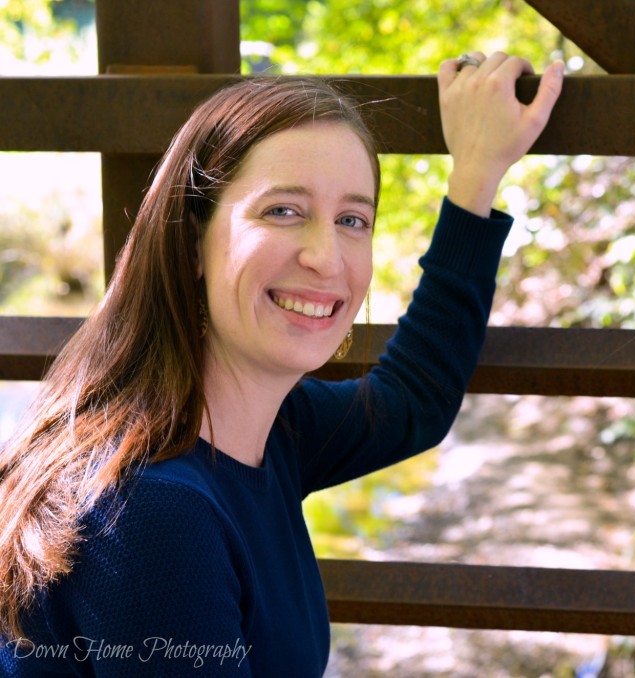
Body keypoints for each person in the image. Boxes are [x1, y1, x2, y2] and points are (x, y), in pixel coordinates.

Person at [0, 52, 563, 675]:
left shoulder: (262, 427)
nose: (327, 257)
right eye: (283, 211)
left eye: (353, 219)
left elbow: (411, 401)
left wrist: (476, 178)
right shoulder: (151, 512)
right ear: (191, 242)